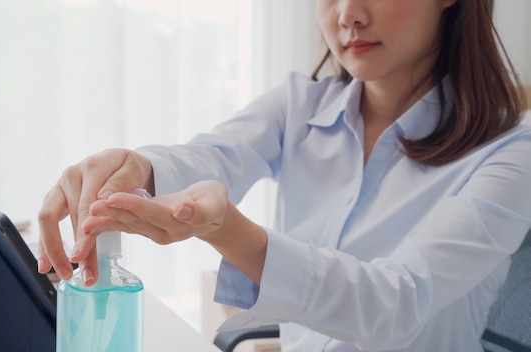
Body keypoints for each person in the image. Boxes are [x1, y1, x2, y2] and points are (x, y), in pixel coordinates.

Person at [37, 0, 531, 350]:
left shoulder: (512, 149)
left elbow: (398, 303)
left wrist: (232, 233)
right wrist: (137, 168)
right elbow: (214, 155)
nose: (348, 15)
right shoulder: (300, 105)